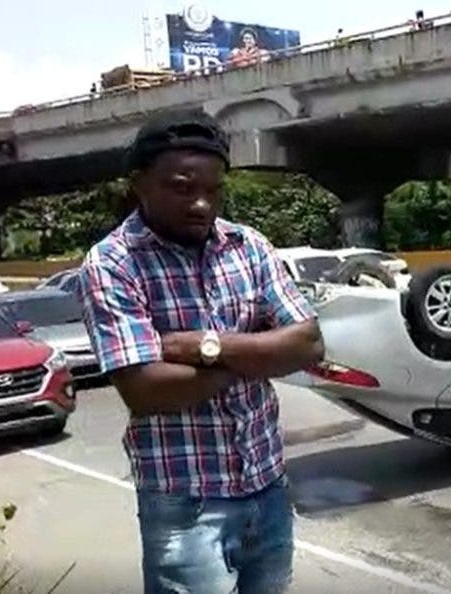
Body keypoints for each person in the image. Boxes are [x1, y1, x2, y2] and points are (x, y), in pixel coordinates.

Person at [78, 112, 325, 594]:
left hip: (268, 485)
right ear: (139, 185)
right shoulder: (111, 265)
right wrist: (256, 355)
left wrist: (204, 348)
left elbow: (309, 342)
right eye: (182, 187)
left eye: (214, 190)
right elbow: (147, 390)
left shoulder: (247, 246)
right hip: (185, 502)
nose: (201, 203)